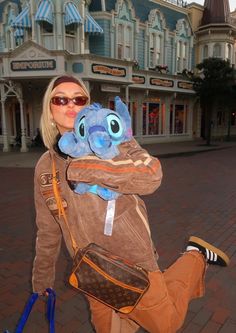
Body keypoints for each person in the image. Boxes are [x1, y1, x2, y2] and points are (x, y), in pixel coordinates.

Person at [32, 74, 229, 333]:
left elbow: (150, 177)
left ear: (87, 105)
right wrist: (42, 278)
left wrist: (90, 168)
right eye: (60, 99)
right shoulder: (45, 167)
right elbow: (48, 229)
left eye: (78, 99)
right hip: (91, 269)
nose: (70, 105)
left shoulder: (115, 139)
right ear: (49, 109)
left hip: (131, 257)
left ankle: (195, 255)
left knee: (165, 324)